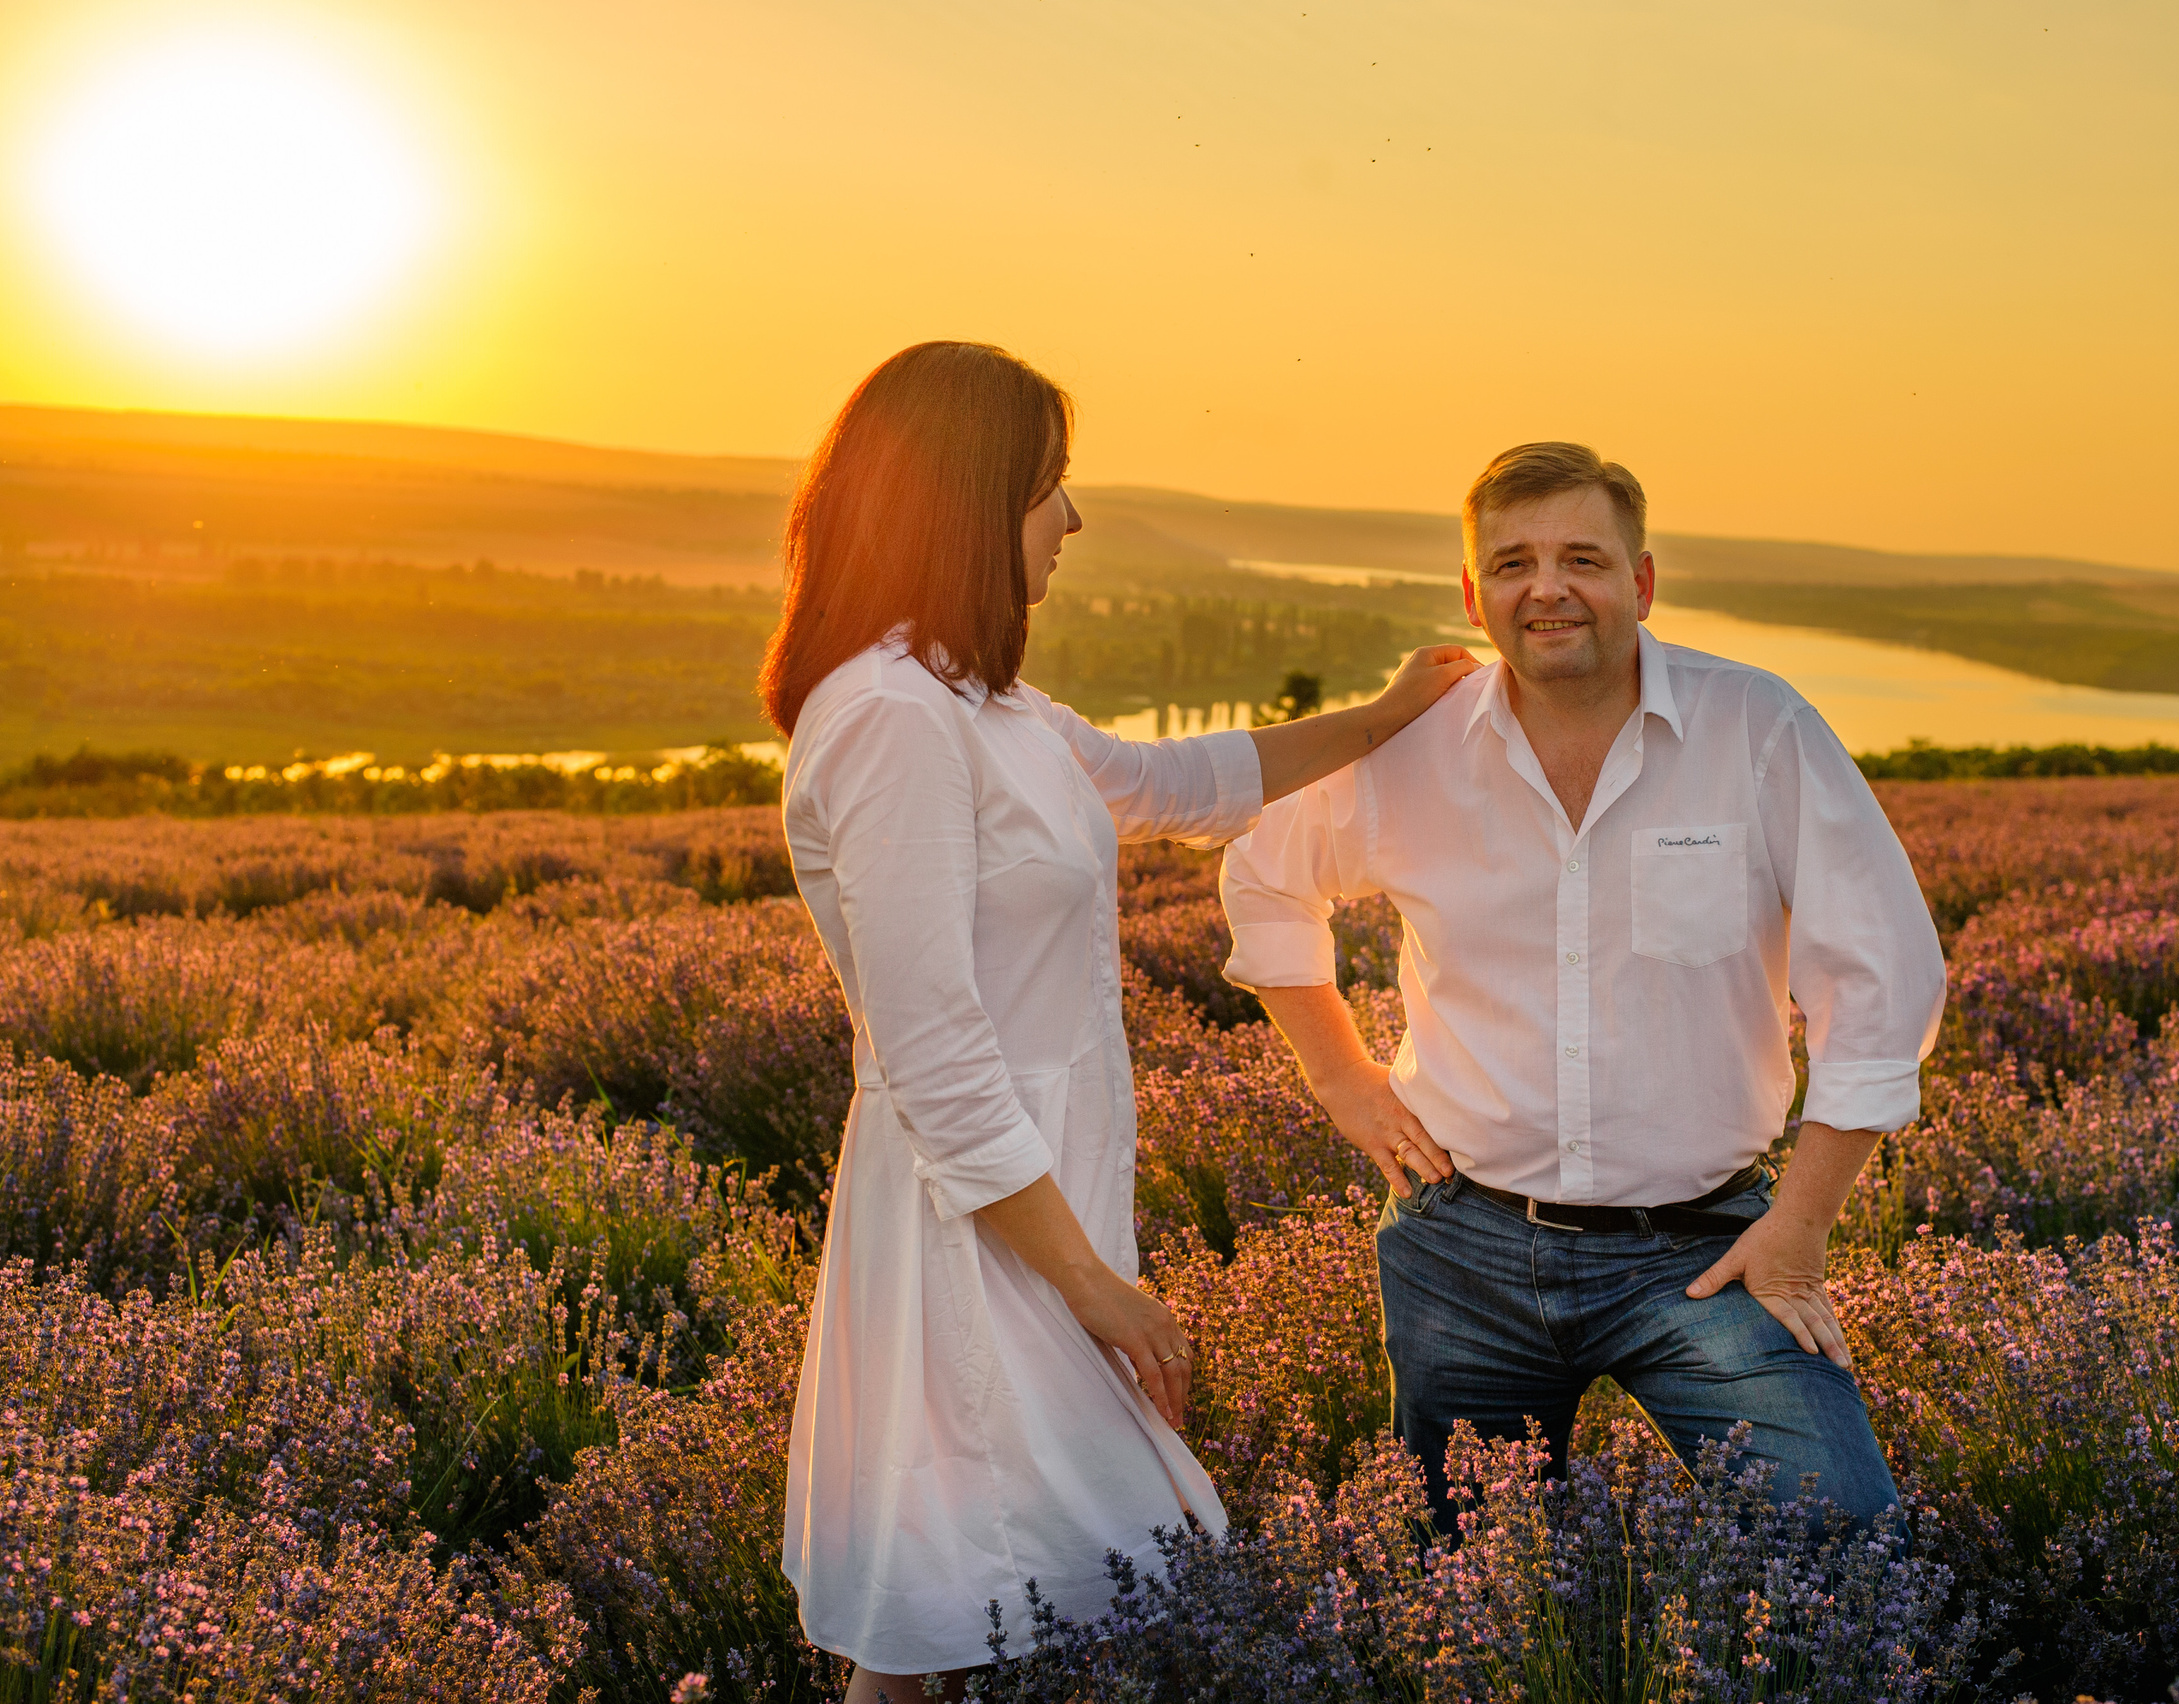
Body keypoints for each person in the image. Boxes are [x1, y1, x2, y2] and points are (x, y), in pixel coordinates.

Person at [762, 341, 1477, 1703]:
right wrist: (1086, 1283)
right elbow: (931, 1049)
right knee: (1028, 1580)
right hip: (977, 1226)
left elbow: (1172, 781)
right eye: (1050, 486)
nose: (1073, 519)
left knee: (960, 1606)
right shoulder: (889, 719)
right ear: (966, 501)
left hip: (1038, 1199)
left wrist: (1385, 719)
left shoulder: (985, 705)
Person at [1219, 441, 1946, 1531]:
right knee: (1470, 1576)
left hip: (1706, 1249)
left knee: (1848, 1545)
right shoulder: (1411, 749)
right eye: (1511, 563)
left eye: (1582, 560)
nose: (1546, 589)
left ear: (1641, 583)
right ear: (1475, 597)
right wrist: (1342, 1081)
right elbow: (1265, 877)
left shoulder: (1756, 726)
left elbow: (1885, 970)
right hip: (1461, 1246)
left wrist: (1801, 1225)